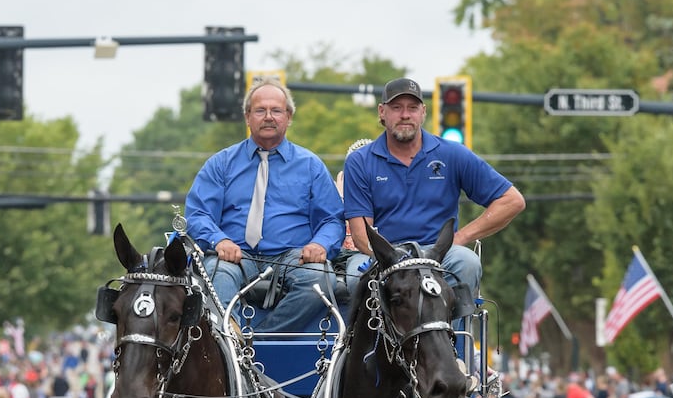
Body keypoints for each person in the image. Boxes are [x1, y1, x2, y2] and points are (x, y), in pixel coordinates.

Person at [341, 77, 526, 298]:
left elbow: (511, 200)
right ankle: (373, 334)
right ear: (382, 112)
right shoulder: (360, 161)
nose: (405, 115)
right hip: (383, 253)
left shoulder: (452, 154)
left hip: (439, 252)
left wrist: (459, 238)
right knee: (355, 278)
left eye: (413, 107)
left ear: (423, 112)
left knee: (466, 262)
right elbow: (362, 236)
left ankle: (454, 334)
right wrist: (395, 261)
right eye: (396, 107)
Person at [184, 81, 344, 333]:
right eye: (260, 110)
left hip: (292, 257)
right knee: (215, 276)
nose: (268, 117)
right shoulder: (221, 164)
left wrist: (320, 245)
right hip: (235, 256)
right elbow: (198, 213)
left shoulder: (311, 166)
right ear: (248, 117)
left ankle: (257, 342)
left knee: (320, 278)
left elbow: (332, 220)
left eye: (276, 110)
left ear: (289, 117)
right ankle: (230, 339)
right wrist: (218, 240)